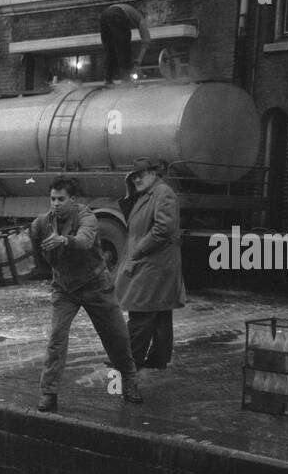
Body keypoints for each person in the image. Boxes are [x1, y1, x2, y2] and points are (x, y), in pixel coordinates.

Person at [30, 176, 142, 413]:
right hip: (64, 289)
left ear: (73, 200)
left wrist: (63, 240)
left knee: (117, 337)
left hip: (96, 286)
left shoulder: (86, 216)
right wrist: (45, 269)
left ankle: (129, 380)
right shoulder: (41, 223)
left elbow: (85, 240)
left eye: (61, 199)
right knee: (56, 339)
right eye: (52, 199)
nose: (56, 204)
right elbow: (35, 250)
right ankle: (48, 393)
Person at [117, 157, 184, 370]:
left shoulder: (162, 193)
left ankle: (129, 361)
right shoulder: (147, 194)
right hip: (156, 263)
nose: (136, 179)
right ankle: (158, 359)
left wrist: (139, 249)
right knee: (159, 312)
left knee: (141, 312)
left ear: (154, 174)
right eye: (133, 176)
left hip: (154, 263)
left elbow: (163, 228)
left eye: (141, 174)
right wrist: (130, 192)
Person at [99, 2, 151, 85]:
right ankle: (126, 78)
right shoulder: (141, 18)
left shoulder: (130, 10)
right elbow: (146, 40)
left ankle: (108, 78)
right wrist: (139, 60)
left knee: (110, 49)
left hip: (104, 16)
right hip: (118, 14)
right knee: (124, 47)